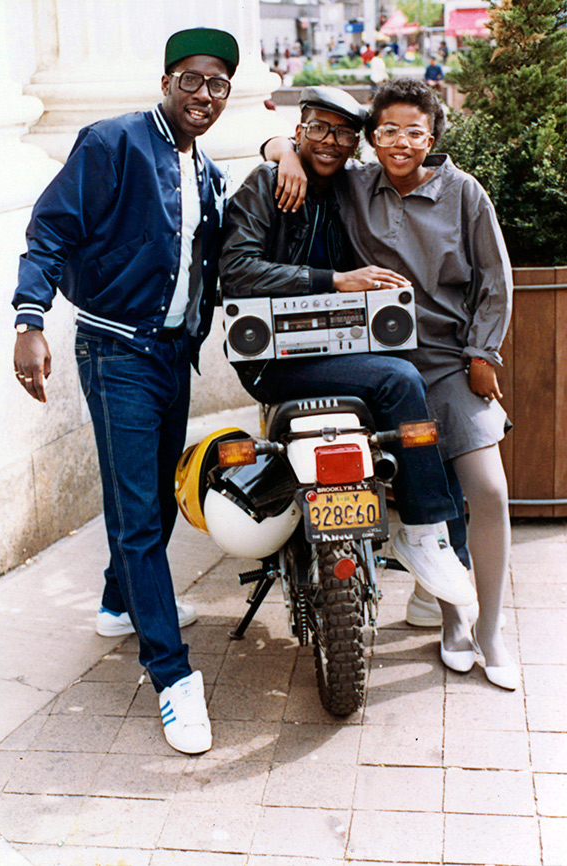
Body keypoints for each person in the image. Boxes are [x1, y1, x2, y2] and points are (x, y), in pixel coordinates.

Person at [12, 27, 240, 753]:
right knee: (140, 515)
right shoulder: (110, 143)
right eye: (194, 81)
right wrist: (29, 321)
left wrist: (280, 150)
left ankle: (119, 602)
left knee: (153, 504)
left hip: (175, 358)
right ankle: (171, 677)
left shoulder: (206, 172)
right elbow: (50, 230)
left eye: (220, 86)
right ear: (168, 81)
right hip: (115, 351)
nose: (206, 96)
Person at [266, 79, 518, 689]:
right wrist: (285, 151)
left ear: (431, 137)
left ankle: (491, 628)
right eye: (386, 132)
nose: (399, 143)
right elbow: (287, 142)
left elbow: (496, 277)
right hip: (378, 361)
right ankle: (454, 620)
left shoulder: (464, 194)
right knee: (419, 488)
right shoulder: (355, 185)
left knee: (486, 488)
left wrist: (483, 352)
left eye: (413, 131)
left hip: (450, 360)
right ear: (371, 139)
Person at [220, 85, 477, 614]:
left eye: (343, 132)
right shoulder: (265, 186)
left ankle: (442, 551)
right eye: (317, 128)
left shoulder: (349, 191)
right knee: (401, 383)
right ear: (300, 130)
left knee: (419, 411)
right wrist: (332, 280)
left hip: (336, 350)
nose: (330, 141)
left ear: (355, 144)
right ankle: (425, 531)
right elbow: (238, 270)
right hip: (272, 361)